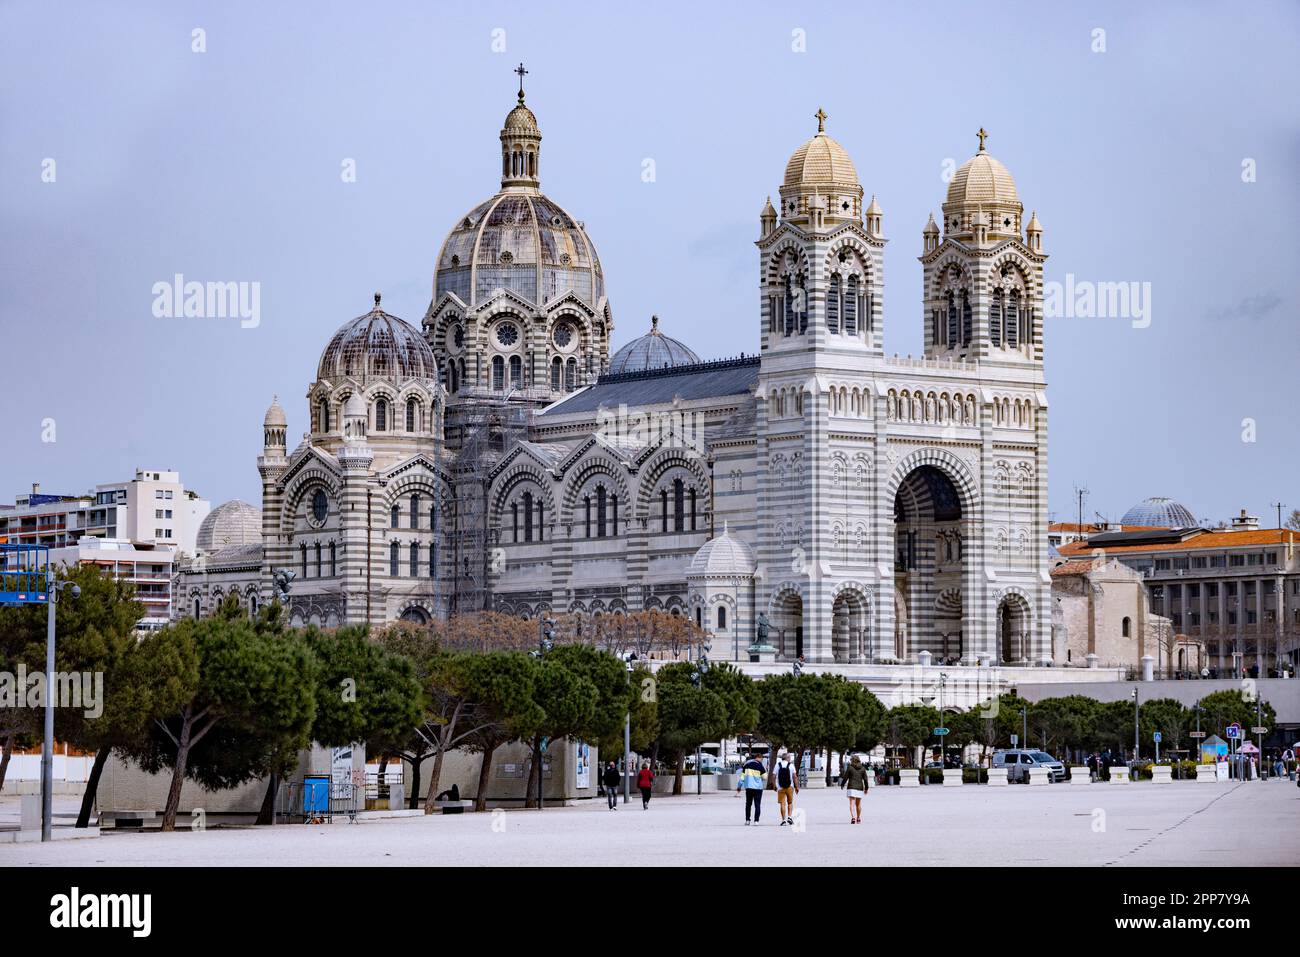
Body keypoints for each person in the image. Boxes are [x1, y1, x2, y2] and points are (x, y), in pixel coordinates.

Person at [737, 753, 767, 825]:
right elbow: (765, 777)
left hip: (749, 787)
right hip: (758, 788)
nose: (762, 760)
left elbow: (742, 777)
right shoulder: (760, 766)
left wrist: (739, 786)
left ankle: (747, 820)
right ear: (758, 758)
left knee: (748, 804)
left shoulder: (746, 765)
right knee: (757, 805)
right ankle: (756, 821)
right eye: (761, 759)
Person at [840, 754, 870, 824]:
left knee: (851, 804)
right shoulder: (862, 768)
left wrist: (842, 784)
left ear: (852, 760)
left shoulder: (850, 767)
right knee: (858, 804)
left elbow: (845, 777)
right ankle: (858, 818)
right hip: (859, 788)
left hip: (851, 787)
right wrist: (866, 788)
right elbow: (865, 779)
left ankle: (853, 817)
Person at [774, 751, 799, 826]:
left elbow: (773, 776)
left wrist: (774, 785)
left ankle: (783, 820)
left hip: (780, 787)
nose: (790, 759)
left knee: (782, 803)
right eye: (789, 757)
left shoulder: (777, 765)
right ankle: (789, 817)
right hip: (789, 787)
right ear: (787, 758)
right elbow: (794, 777)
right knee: (790, 803)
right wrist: (797, 786)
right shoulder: (791, 765)